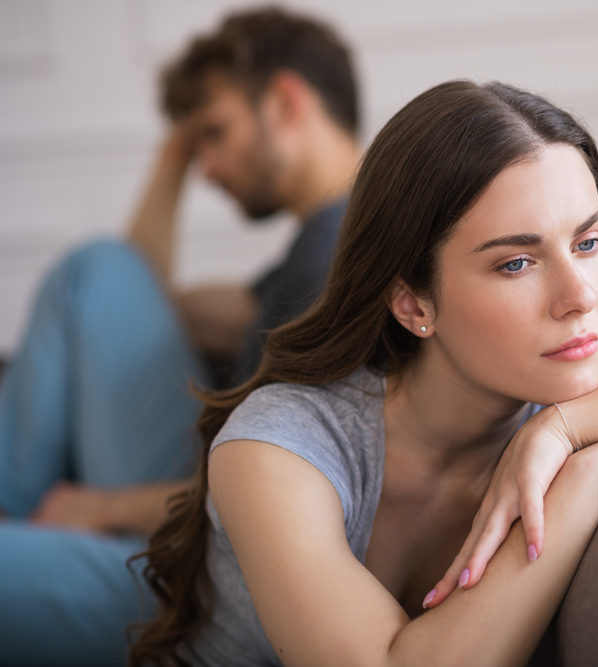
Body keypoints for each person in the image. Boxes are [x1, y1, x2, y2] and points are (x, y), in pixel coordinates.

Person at [131, 80, 598, 667]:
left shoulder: (571, 386)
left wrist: (571, 429)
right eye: (518, 261)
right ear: (412, 300)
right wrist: (593, 477)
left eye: (591, 241)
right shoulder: (276, 450)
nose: (580, 298)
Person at [0, 7, 361, 664]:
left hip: (213, 568)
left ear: (285, 102)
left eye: (215, 134)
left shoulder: (339, 258)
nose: (209, 169)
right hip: (197, 517)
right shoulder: (315, 250)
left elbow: (290, 490)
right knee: (97, 268)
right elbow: (135, 293)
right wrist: (172, 156)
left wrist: (98, 506)